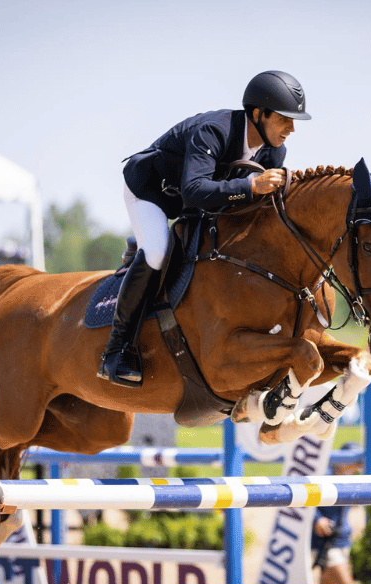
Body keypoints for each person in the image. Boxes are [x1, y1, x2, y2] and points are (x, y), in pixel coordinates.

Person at [98, 70, 311, 387]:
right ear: (258, 114)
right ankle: (115, 352)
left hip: (196, 205)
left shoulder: (273, 151)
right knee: (157, 251)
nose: (291, 129)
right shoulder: (214, 130)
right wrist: (252, 185)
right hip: (151, 192)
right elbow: (195, 190)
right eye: (284, 119)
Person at [311, 442, 363, 584]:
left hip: (342, 539)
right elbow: (307, 501)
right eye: (354, 461)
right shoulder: (324, 476)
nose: (357, 465)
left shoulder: (350, 479)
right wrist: (318, 519)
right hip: (326, 541)